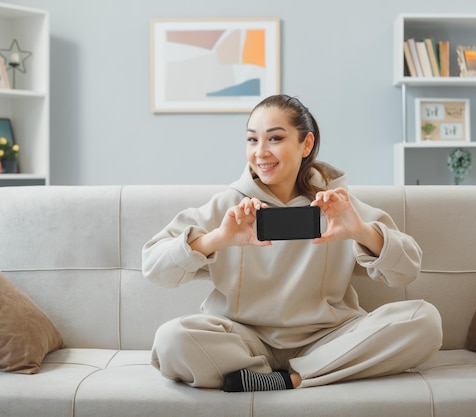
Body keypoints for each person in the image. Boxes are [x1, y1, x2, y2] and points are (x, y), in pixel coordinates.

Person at [142, 94, 442, 392]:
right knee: (172, 339)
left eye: (274, 139)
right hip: (244, 340)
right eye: (252, 140)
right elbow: (153, 267)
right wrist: (217, 239)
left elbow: (408, 269)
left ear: (306, 144)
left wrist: (361, 231)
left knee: (425, 321)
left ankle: (288, 380)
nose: (260, 152)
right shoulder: (227, 206)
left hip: (329, 338)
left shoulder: (337, 205)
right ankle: (298, 375)